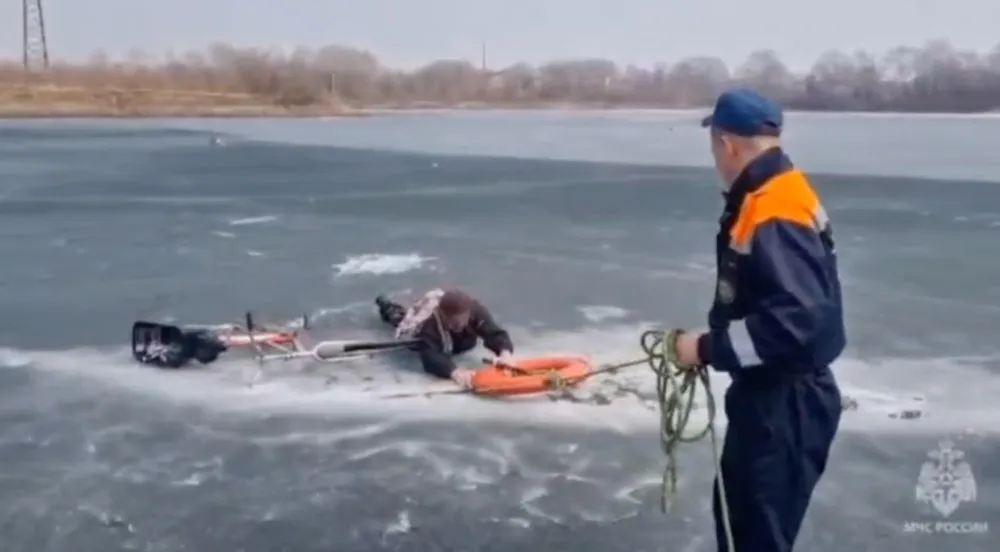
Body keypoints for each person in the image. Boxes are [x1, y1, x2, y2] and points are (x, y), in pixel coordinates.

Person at [671, 88, 845, 552]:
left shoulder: (773, 208)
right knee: (740, 520)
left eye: (714, 147)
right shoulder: (780, 192)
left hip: (783, 404)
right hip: (775, 397)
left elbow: (797, 320)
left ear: (727, 144)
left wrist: (706, 348)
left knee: (754, 535)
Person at [375, 289, 516, 387]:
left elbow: (495, 332)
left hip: (460, 341)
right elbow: (431, 357)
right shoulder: (429, 324)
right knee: (399, 319)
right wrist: (453, 372)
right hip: (423, 335)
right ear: (443, 315)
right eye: (454, 323)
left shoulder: (476, 311)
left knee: (477, 336)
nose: (458, 326)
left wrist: (505, 353)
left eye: (461, 321)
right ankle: (387, 306)